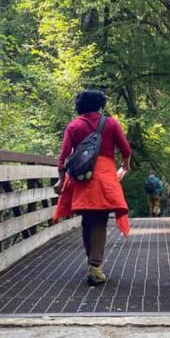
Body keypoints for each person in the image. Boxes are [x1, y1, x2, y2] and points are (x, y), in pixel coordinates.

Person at [53, 89, 131, 285]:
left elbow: (63, 157)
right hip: (104, 177)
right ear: (100, 105)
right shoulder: (111, 123)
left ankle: (93, 263)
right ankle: (95, 266)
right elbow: (125, 149)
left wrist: (62, 180)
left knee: (88, 219)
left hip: (81, 178)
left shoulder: (74, 126)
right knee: (99, 220)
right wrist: (125, 166)